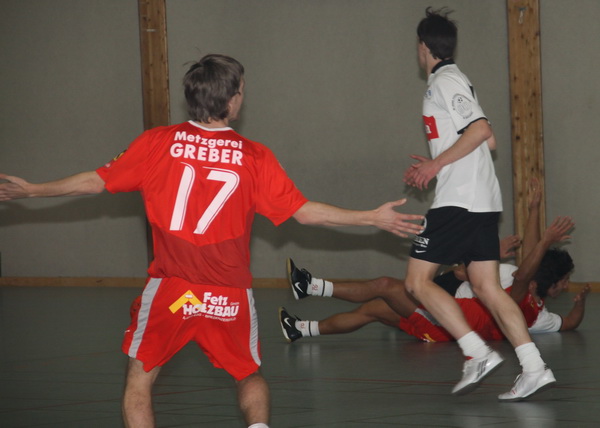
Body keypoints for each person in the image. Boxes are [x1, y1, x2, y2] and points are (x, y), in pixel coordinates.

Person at [0, 54, 424, 428]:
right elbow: (304, 212)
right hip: (228, 293)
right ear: (232, 100)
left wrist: (33, 190)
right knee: (248, 375)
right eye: (242, 91)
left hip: (171, 290)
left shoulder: (156, 143)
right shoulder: (254, 156)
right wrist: (371, 217)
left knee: (139, 381)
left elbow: (96, 181)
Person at [400, 7, 554, 400]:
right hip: (482, 200)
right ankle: (534, 367)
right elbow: (490, 140)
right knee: (487, 287)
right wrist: (439, 156)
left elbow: (481, 130)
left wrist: (436, 164)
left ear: (423, 46)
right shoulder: (457, 80)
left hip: (460, 200)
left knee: (416, 282)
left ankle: (476, 353)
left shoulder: (445, 80)